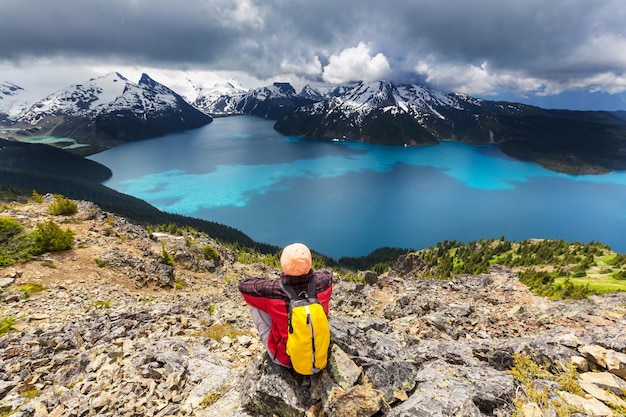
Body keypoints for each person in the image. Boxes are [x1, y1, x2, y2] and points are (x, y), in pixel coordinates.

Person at [238, 242, 333, 368]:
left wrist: (262, 281)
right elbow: (327, 273)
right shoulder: (324, 282)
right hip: (320, 355)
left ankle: (278, 340)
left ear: (283, 264)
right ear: (309, 262)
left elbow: (243, 286)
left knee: (255, 304)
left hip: (287, 360)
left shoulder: (272, 290)